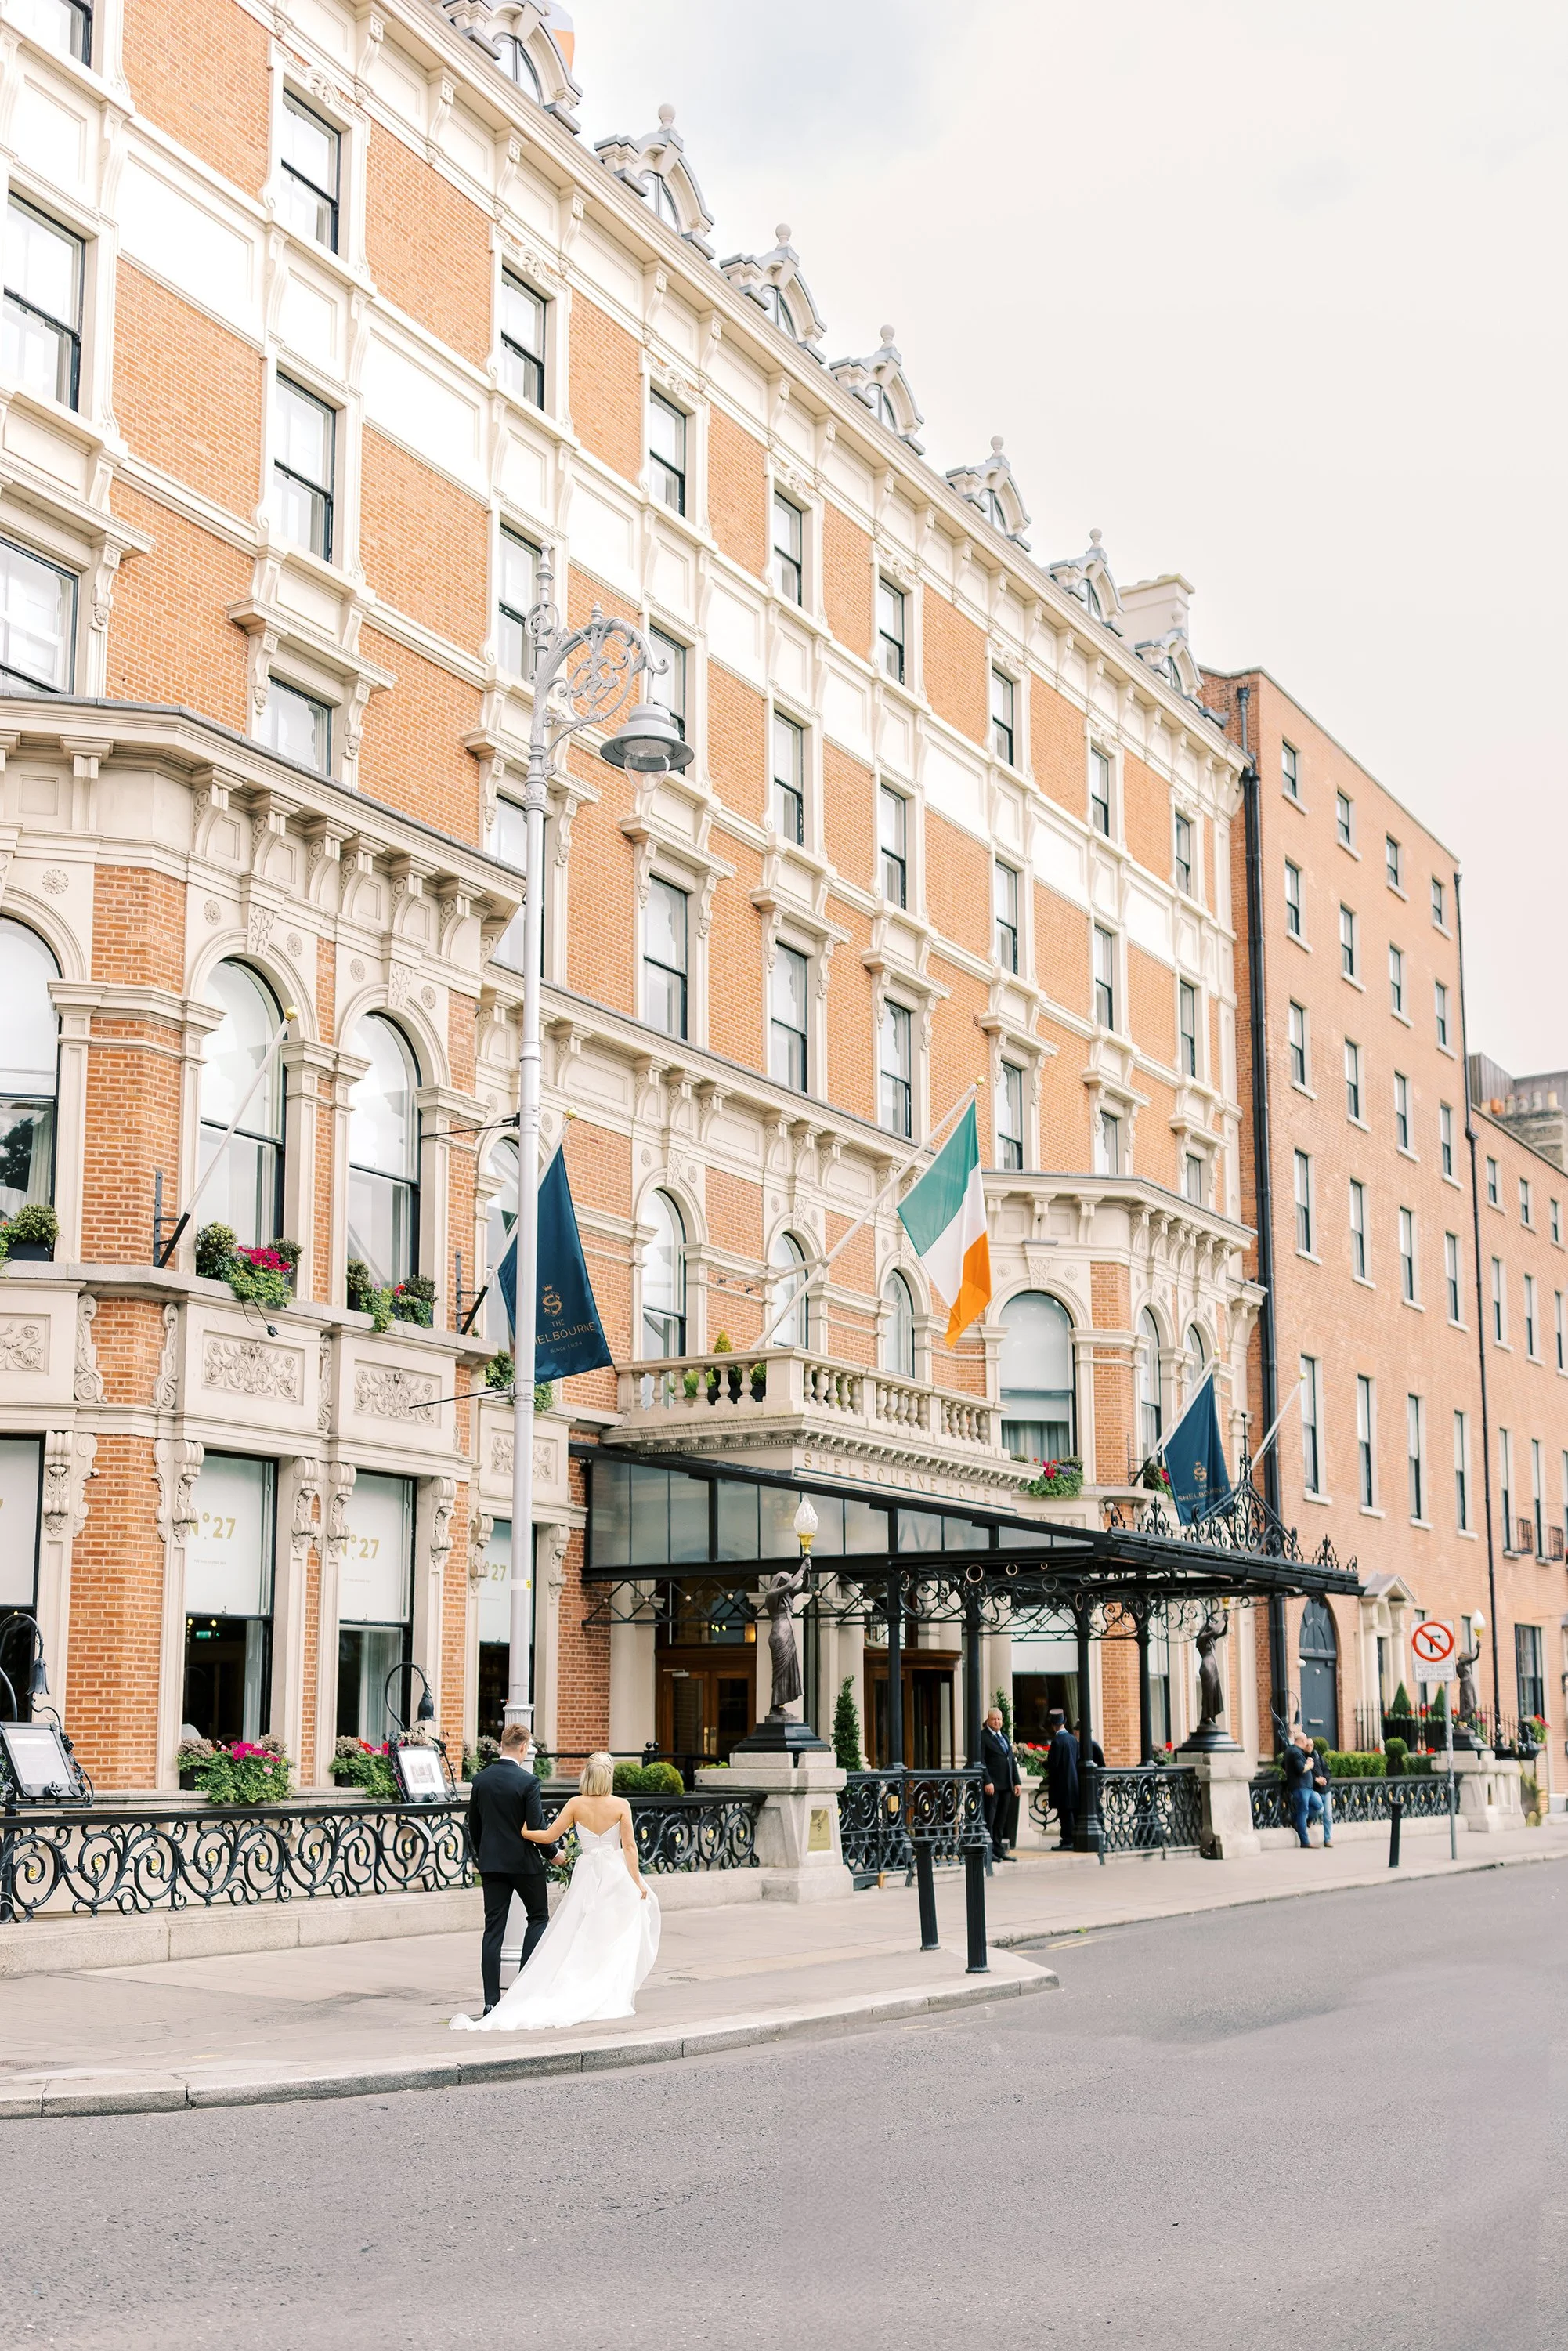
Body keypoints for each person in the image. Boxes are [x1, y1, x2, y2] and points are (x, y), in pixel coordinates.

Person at [452, 1750, 660, 2033]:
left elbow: (549, 1836)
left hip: (587, 1873)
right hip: (614, 1873)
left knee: (579, 1931)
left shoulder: (575, 1804)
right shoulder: (621, 1805)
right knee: (612, 1934)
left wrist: (525, 1833)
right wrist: (637, 1881)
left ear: (587, 1775)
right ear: (608, 1776)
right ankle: (608, 1990)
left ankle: (568, 1987)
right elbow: (630, 1848)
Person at [464, 1720, 555, 2016]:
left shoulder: (481, 1780)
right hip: (524, 1864)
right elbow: (537, 1828)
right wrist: (554, 1854)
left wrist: (482, 1859)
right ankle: (521, 1991)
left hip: (492, 1864)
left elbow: (473, 1827)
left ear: (502, 1744)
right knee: (538, 1917)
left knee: (493, 1931)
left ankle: (491, 2001)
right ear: (524, 1748)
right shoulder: (528, 1782)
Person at [979, 1705, 1022, 1861]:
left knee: (1001, 1820)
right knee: (990, 1818)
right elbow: (981, 1761)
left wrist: (1016, 1781)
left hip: (1006, 1785)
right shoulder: (983, 1737)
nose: (996, 1722)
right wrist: (988, 1781)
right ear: (988, 1720)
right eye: (993, 1719)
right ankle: (989, 1852)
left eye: (999, 1719)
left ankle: (999, 1850)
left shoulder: (1004, 1737)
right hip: (993, 1786)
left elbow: (1010, 1759)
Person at [1046, 1707, 1079, 1850]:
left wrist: (1044, 1763)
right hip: (1073, 1781)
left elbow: (1053, 1763)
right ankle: (1068, 1839)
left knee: (1064, 1814)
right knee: (1069, 1812)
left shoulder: (1057, 1741)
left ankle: (1067, 1840)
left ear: (1053, 1725)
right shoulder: (1072, 1739)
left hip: (1061, 1783)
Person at [1278, 1727, 1313, 1847]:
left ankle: (1294, 1818)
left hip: (1306, 1787)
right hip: (1301, 1787)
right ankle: (1305, 1842)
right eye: (1306, 1742)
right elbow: (1301, 1769)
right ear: (1302, 1741)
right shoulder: (1296, 1752)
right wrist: (1309, 1765)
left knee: (1318, 1806)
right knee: (1303, 1813)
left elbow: (1283, 1765)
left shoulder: (1290, 1751)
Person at [1305, 1740, 1334, 1847]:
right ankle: (1309, 1819)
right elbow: (1304, 1774)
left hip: (1326, 1789)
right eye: (1307, 1745)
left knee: (1328, 1816)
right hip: (1314, 1790)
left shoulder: (1318, 1756)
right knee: (1318, 1809)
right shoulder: (1303, 1757)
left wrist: (1325, 1779)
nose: (1309, 1747)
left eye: (1311, 1745)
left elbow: (1327, 1769)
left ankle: (1328, 1839)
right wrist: (1316, 1780)